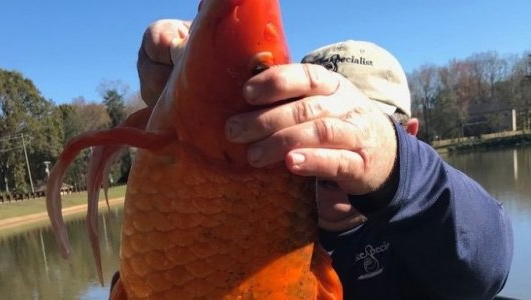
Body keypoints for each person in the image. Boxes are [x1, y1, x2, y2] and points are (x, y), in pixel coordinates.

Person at [135, 19, 514, 299]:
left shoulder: (425, 227)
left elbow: (486, 264)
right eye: (306, 116)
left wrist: (387, 160)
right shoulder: (242, 213)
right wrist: (180, 104)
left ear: (407, 135)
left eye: (351, 124)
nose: (327, 144)